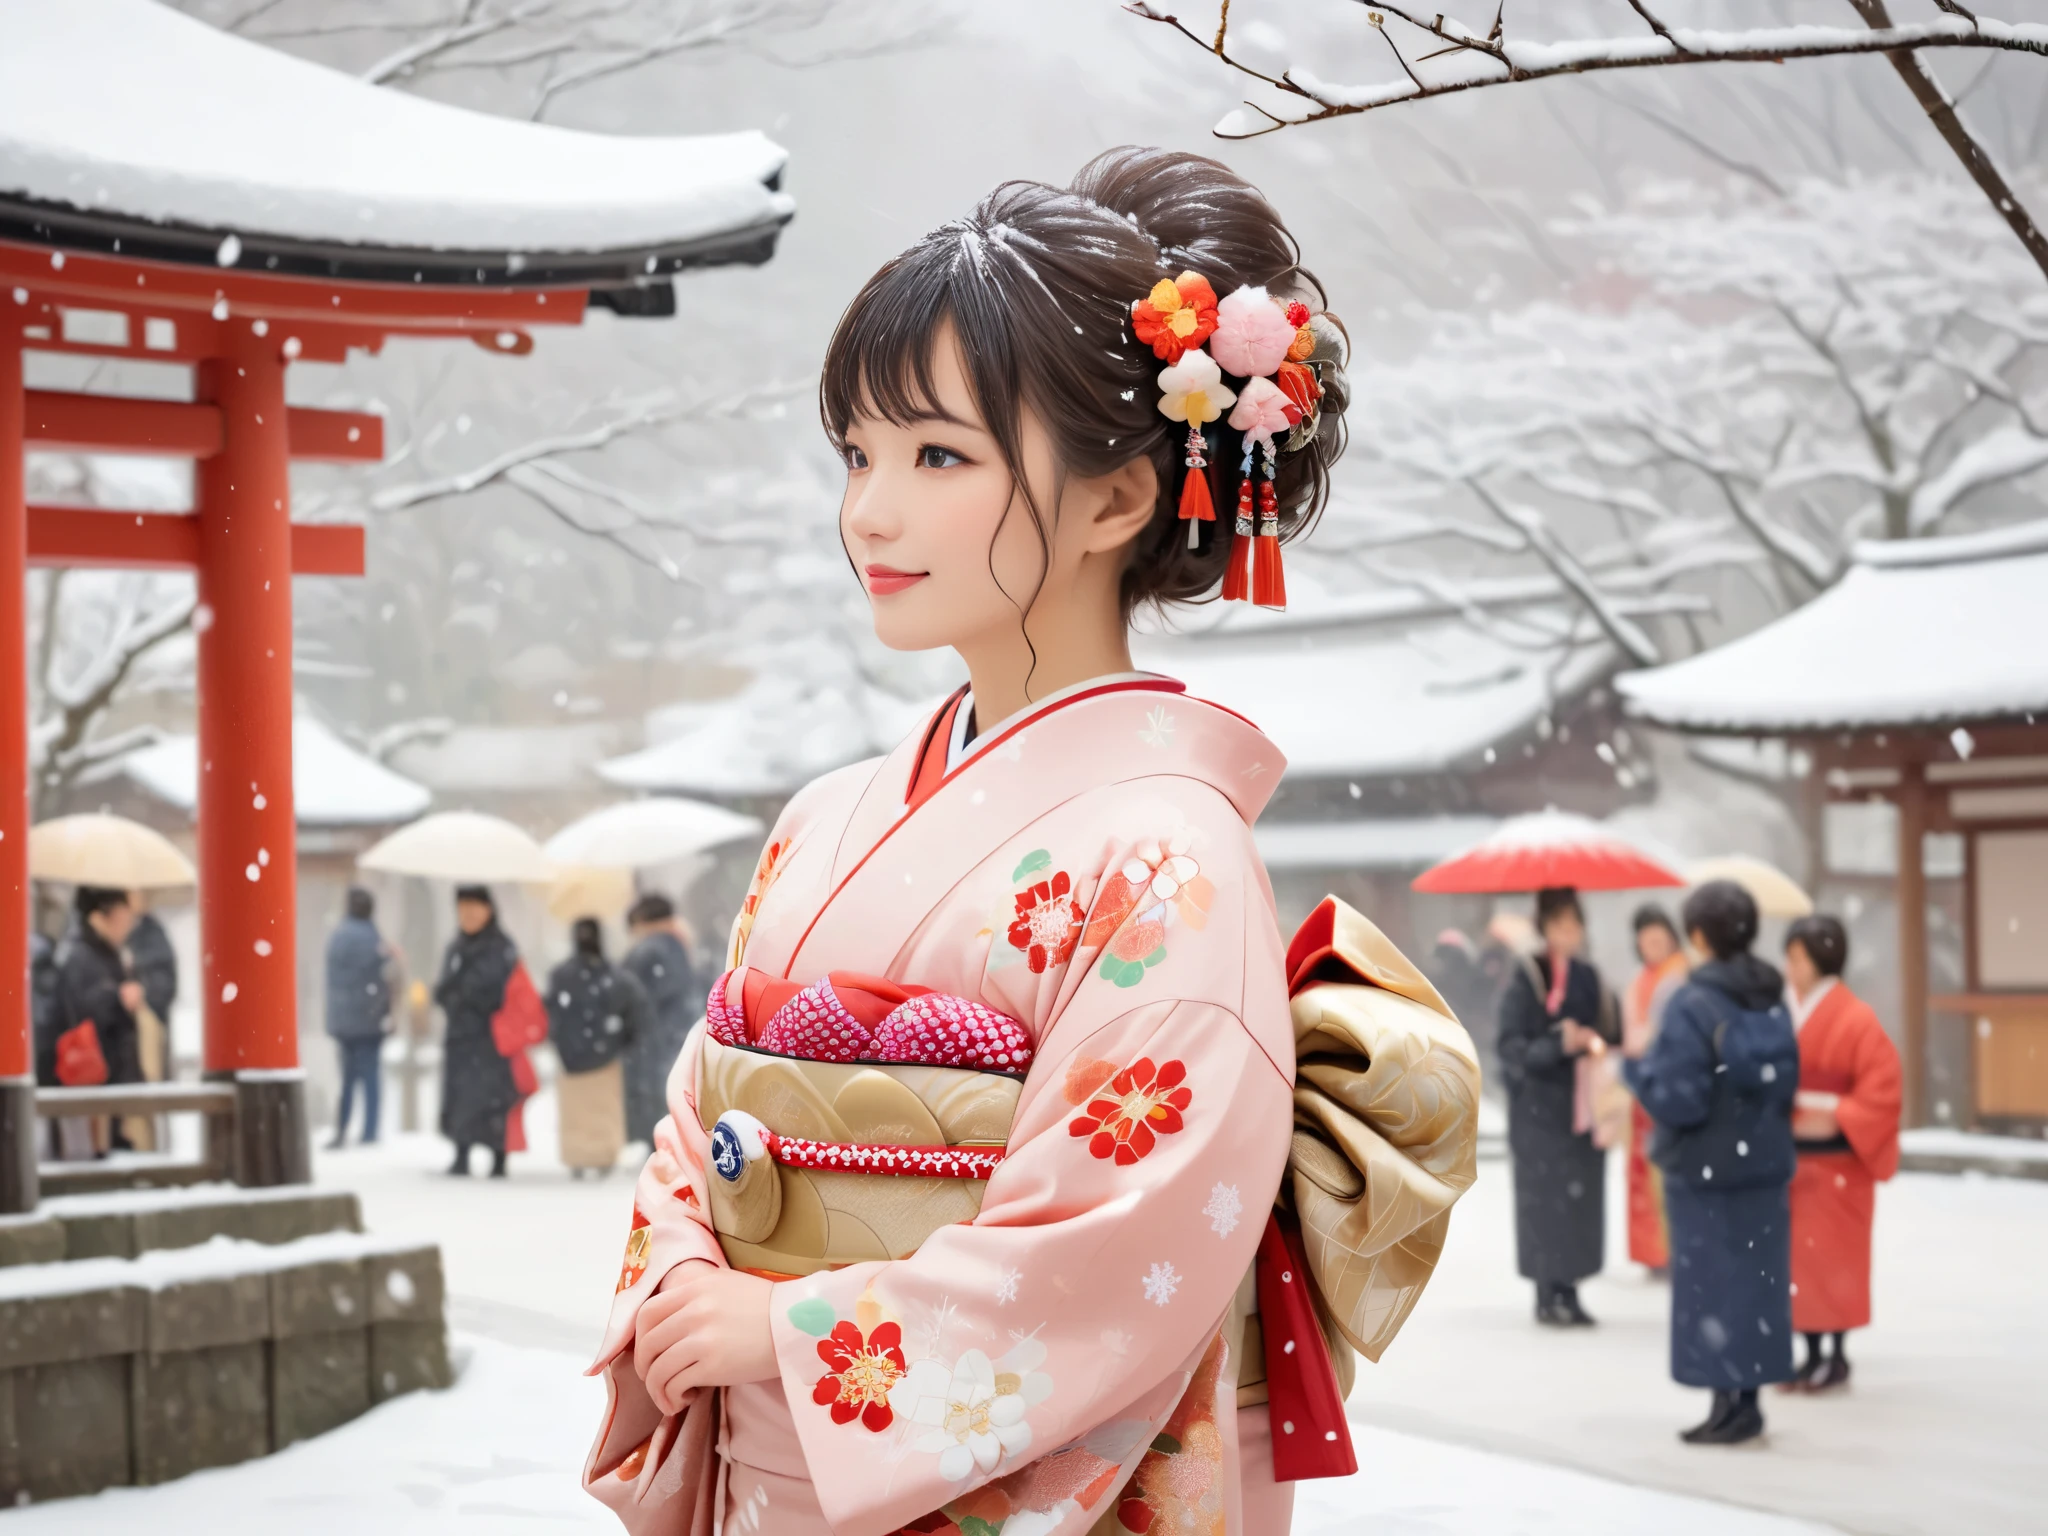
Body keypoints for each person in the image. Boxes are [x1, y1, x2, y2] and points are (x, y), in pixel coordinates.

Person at [582, 149, 1481, 1535]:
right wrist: (689, 1278)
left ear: (1119, 501)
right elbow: (703, 1122)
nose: (869, 510)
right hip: (777, 1473)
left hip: (966, 1475)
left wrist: (790, 1333)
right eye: (860, 454)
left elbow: (1118, 1248)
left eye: (938, 456)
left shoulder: (1168, 859)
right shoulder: (825, 816)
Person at [1625, 880, 1799, 1446]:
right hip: (1763, 1166)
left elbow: (1681, 1098)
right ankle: (1746, 1404)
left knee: (1713, 1291)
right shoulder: (1772, 994)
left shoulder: (1692, 1001)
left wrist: (1637, 1074)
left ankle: (1725, 1405)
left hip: (1706, 1170)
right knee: (1755, 1288)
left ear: (1698, 935)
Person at [1782, 914, 1901, 1394]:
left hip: (1838, 1164)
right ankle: (1809, 1353)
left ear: (1820, 960)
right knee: (1800, 1266)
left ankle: (1835, 1354)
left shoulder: (1856, 1018)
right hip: (1794, 1163)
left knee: (1834, 1265)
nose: (1789, 968)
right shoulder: (1784, 1012)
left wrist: (1834, 1111)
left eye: (1796, 958)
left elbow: (1883, 1090)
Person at [1496, 885, 1618, 1326]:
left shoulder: (1591, 978)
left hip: (1581, 1110)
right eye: (1558, 923)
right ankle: (1547, 1292)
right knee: (1544, 1204)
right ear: (1543, 927)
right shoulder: (1526, 977)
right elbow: (1510, 1048)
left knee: (1580, 1204)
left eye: (1574, 923)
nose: (1568, 932)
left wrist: (1593, 1042)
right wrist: (1556, 1044)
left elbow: (1612, 1031)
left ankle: (1573, 1287)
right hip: (1539, 1115)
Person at [435, 884, 529, 1178]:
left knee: (492, 1099)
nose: (468, 916)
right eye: (462, 910)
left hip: (491, 1040)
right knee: (460, 1097)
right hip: (460, 1038)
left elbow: (489, 991)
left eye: (474, 909)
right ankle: (461, 1152)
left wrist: (459, 989)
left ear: (489, 911)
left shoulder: (500, 947)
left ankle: (498, 1157)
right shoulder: (456, 946)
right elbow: (444, 989)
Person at [547, 917, 649, 1178]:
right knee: (602, 1113)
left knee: (576, 1115)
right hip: (605, 1055)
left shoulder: (561, 976)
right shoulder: (615, 977)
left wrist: (561, 1042)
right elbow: (637, 1012)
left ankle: (578, 1159)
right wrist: (622, 1042)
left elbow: (550, 1015)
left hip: (571, 1059)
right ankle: (603, 1157)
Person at [1623, 904, 1690, 1276]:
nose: (1653, 945)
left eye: (1659, 938)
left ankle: (1668, 1249)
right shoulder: (1639, 979)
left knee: (1663, 1167)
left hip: (1668, 1080)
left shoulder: (1682, 974)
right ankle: (1651, 1251)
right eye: (1646, 939)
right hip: (1642, 1084)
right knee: (1642, 1169)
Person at [54, 886, 146, 1150]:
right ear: (100, 916)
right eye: (123, 914)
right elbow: (78, 1009)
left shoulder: (113, 952)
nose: (128, 922)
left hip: (113, 1072)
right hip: (95, 1074)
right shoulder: (79, 954)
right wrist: (117, 998)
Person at [619, 893, 700, 1147]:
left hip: (653, 1036)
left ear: (644, 921)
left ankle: (659, 1141)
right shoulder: (679, 944)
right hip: (676, 1031)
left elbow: (631, 994)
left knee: (654, 1094)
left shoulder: (649, 950)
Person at [325, 886, 395, 1148]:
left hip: (343, 1022)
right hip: (369, 1021)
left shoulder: (338, 937)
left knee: (346, 1079)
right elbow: (387, 977)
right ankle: (369, 1131)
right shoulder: (374, 940)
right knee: (371, 1079)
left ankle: (341, 1128)